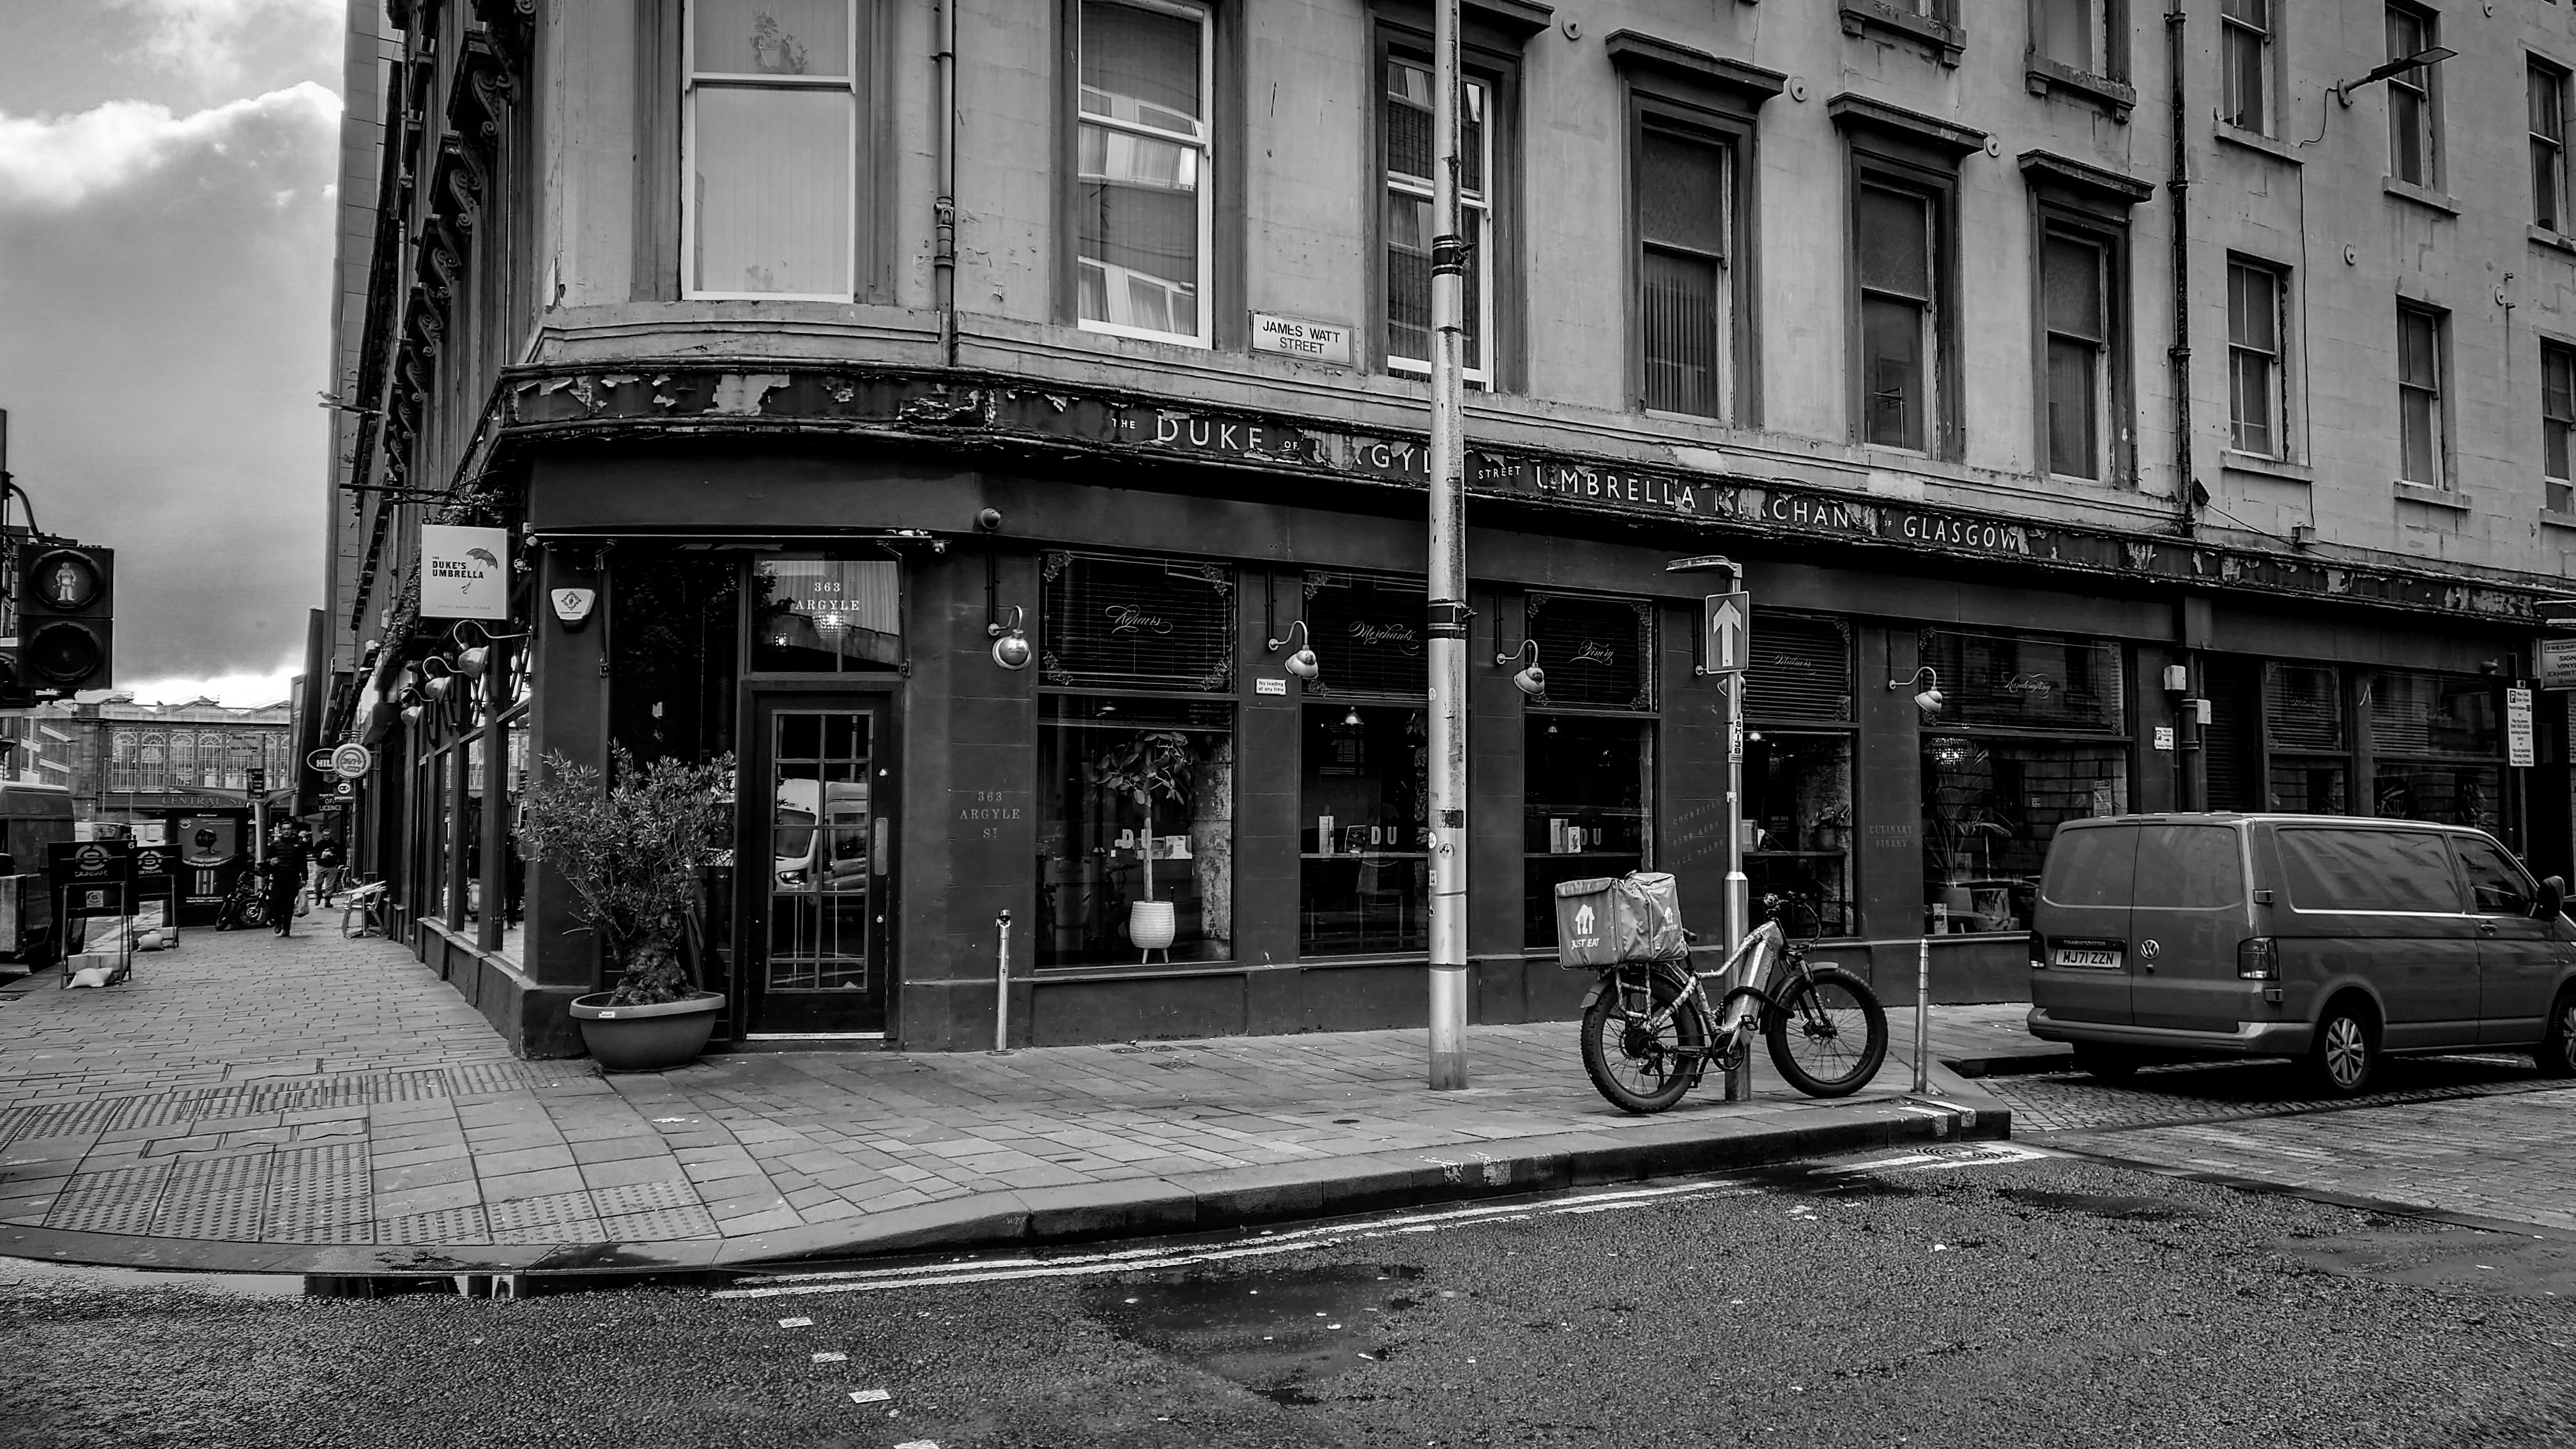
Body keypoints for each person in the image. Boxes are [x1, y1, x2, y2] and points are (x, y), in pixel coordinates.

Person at [263, 824, 309, 938]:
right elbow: (266, 860)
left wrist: (304, 878)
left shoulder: (299, 845)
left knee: (289, 905)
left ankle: (286, 928)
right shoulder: (275, 845)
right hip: (278, 878)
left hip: (292, 879)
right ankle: (278, 921)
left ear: (292, 830)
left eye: (288, 829)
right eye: (284, 829)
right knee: (276, 903)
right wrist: (270, 862)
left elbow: (303, 862)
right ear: (281, 831)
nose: (286, 831)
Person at [310, 835, 344, 906]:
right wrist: (321, 855)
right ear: (322, 836)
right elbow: (314, 854)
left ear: (331, 835)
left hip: (331, 866)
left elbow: (340, 854)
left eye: (328, 835)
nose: (327, 837)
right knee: (317, 883)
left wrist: (333, 855)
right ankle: (318, 895)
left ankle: (327, 900)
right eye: (325, 835)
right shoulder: (319, 844)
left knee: (330, 885)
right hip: (321, 865)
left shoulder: (335, 844)